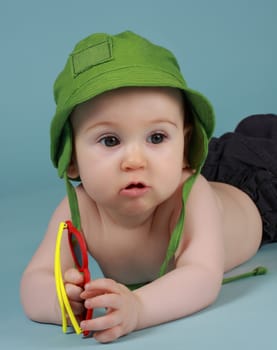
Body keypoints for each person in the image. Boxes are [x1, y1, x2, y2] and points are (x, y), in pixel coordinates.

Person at [20, 30, 277, 343]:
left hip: (261, 191)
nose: (134, 161)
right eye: (110, 140)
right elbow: (35, 281)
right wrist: (61, 300)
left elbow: (202, 276)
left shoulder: (192, 195)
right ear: (71, 159)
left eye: (157, 137)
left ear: (185, 146)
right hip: (199, 174)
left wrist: (139, 308)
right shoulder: (78, 208)